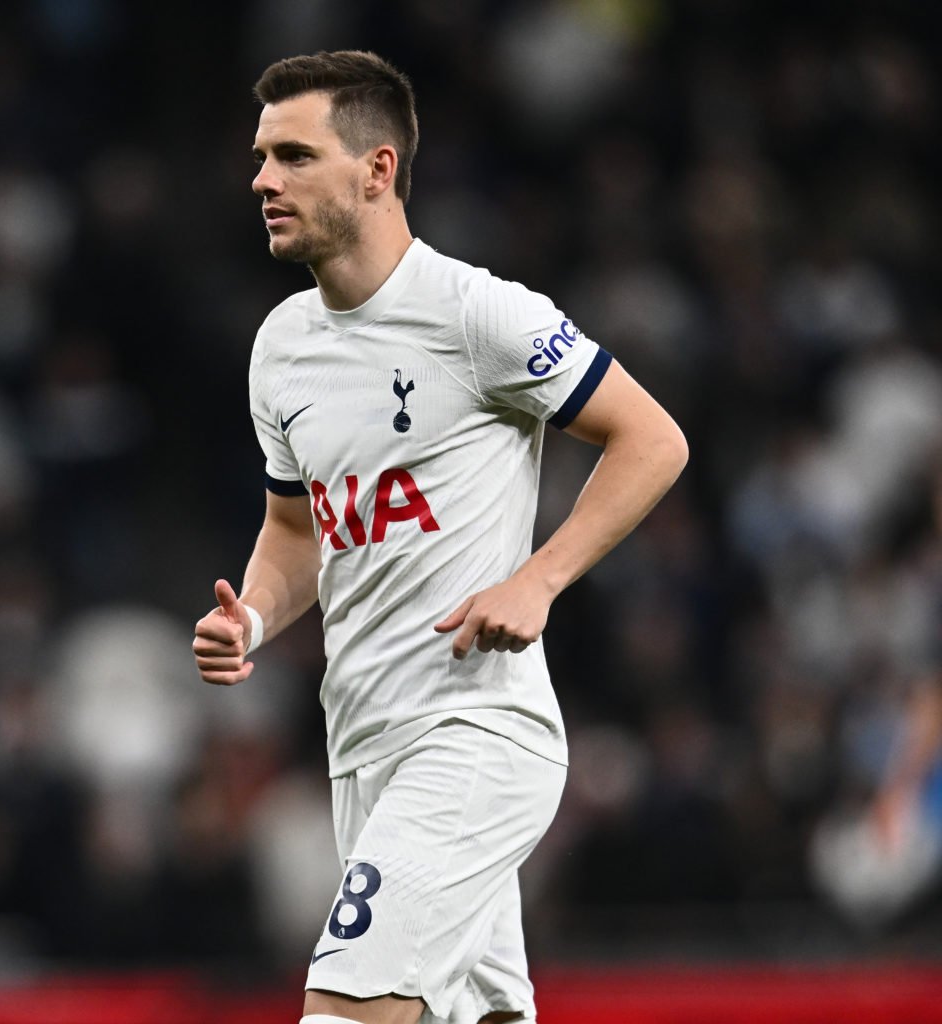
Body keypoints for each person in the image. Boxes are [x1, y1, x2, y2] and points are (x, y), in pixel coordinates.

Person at [191, 51, 688, 1024]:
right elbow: (298, 529)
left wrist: (538, 580)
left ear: (377, 169)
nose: (262, 179)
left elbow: (653, 438)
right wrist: (253, 616)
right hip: (364, 747)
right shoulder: (282, 347)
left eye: (292, 155)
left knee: (342, 1013)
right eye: (260, 157)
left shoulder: (477, 314)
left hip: (474, 738)